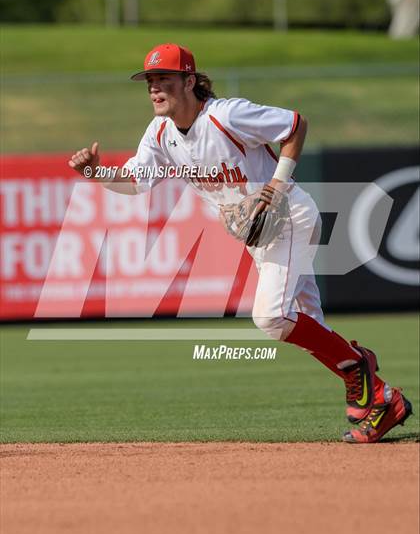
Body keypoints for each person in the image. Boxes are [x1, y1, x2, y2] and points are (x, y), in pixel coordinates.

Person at [69, 43, 412, 443]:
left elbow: (295, 125)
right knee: (307, 327)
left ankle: (359, 366)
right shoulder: (160, 133)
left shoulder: (226, 115)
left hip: (288, 220)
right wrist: (96, 172)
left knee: (269, 317)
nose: (154, 88)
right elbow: (137, 181)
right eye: (149, 81)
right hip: (259, 237)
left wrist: (279, 184)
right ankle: (385, 400)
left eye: (164, 79)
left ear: (190, 80)